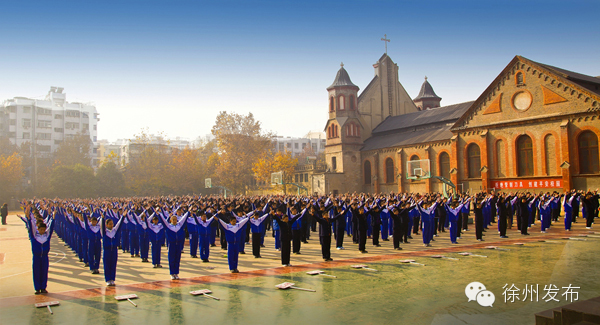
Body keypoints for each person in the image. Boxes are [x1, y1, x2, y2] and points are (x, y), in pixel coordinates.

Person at [19, 208, 55, 294]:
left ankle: (43, 287)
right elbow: (31, 227)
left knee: (44, 272)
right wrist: (28, 217)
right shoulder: (34, 237)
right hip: (37, 257)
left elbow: (51, 227)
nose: (42, 231)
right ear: (38, 229)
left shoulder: (47, 237)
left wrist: (53, 217)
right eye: (41, 229)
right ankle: (37, 288)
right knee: (36, 272)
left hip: (45, 257)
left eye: (44, 230)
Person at [158, 206, 190, 280]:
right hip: (172, 244)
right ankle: (172, 273)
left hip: (178, 244)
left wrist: (188, 212)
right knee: (171, 259)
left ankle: (176, 273)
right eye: (173, 219)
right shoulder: (168, 226)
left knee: (177, 259)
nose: (175, 221)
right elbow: (163, 220)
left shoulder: (179, 226)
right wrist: (159, 214)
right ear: (171, 220)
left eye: (175, 219)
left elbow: (184, 218)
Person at [101, 212, 125, 286]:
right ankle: (108, 279)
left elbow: (119, 224)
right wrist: (102, 218)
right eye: (110, 224)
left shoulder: (115, 230)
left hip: (114, 250)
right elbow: (102, 226)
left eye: (112, 224)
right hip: (107, 250)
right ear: (106, 225)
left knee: (113, 264)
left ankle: (112, 279)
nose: (112, 225)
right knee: (107, 264)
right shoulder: (104, 232)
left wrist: (123, 216)